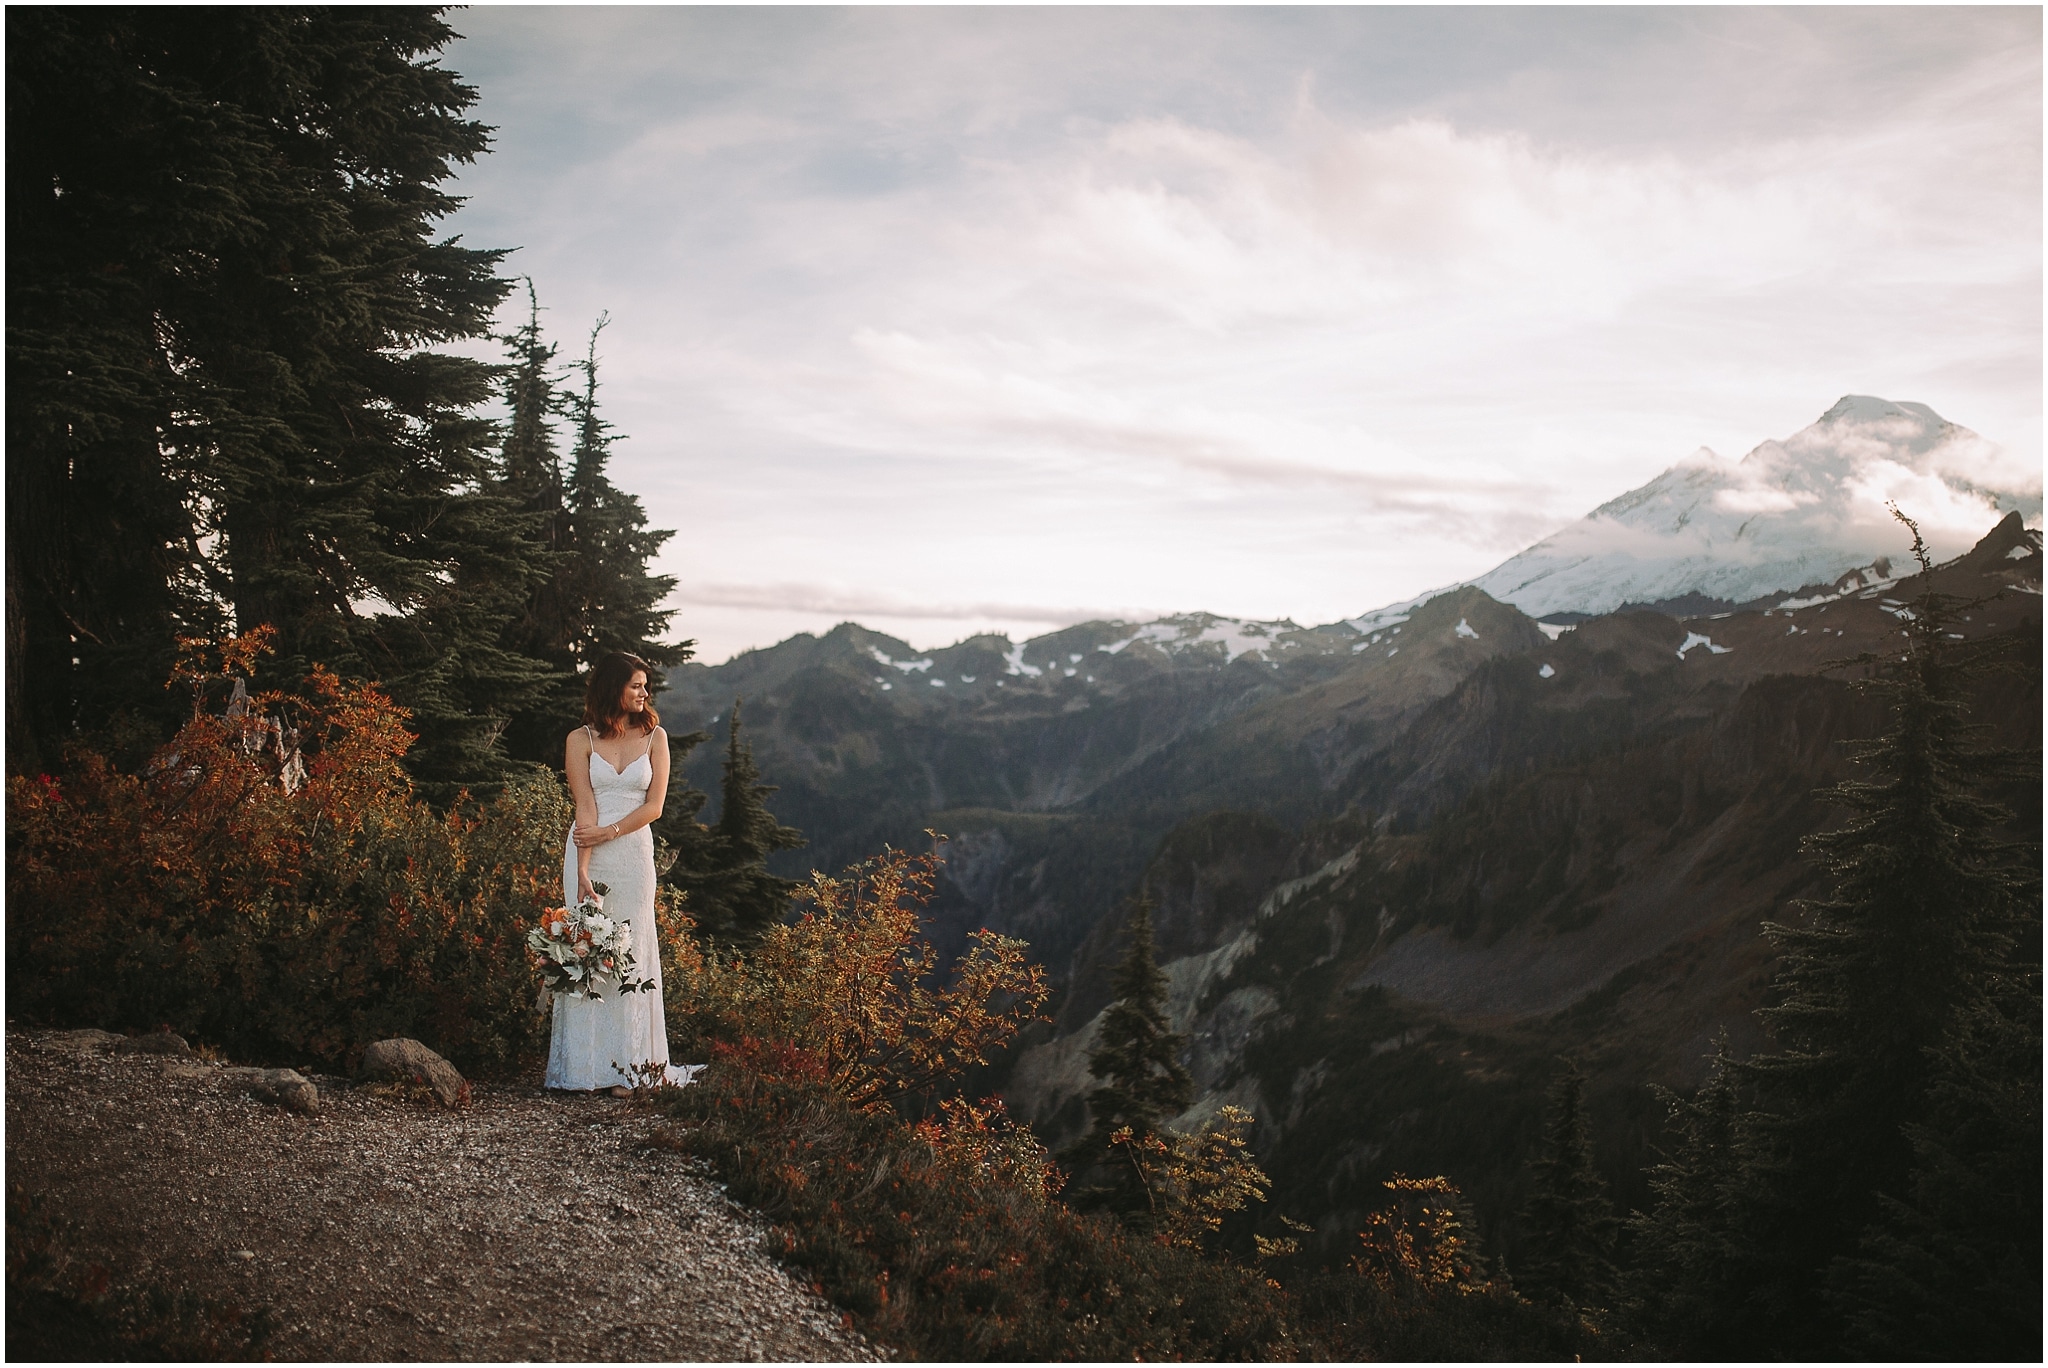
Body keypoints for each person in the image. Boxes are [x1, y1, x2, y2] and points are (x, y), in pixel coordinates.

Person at [545, 652, 702, 1095]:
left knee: (632, 952)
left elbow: (654, 807)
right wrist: (580, 871)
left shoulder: (656, 737)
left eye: (644, 686)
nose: (644, 693)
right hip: (590, 853)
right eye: (636, 685)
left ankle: (630, 1069)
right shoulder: (580, 739)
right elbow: (584, 808)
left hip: (633, 855)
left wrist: (609, 832)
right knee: (586, 953)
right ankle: (586, 1068)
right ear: (613, 687)